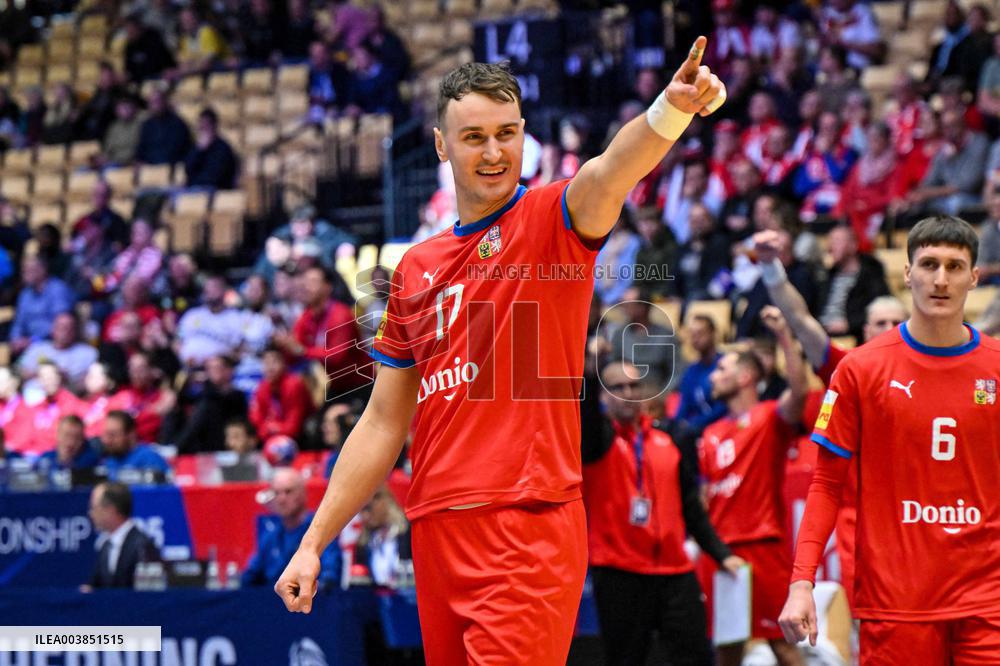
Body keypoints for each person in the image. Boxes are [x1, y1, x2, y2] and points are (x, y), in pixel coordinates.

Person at [275, 40, 727, 665]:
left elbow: (610, 170)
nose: (494, 152)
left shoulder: (551, 220)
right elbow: (381, 421)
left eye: (507, 134)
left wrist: (669, 111)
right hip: (435, 531)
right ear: (441, 145)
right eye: (475, 137)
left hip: (525, 525)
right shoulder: (415, 267)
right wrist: (314, 540)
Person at [779, 216, 1000, 662]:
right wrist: (802, 581)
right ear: (907, 273)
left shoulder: (995, 366)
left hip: (987, 600)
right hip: (896, 601)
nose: (941, 280)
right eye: (929, 264)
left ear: (975, 277)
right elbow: (826, 484)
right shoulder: (860, 369)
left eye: (955, 267)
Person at [753, 228, 908, 608]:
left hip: (918, 519)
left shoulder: (936, 371)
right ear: (865, 329)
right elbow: (800, 318)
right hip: (861, 524)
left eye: (895, 322)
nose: (888, 330)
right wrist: (771, 266)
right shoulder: (847, 367)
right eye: (880, 323)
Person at [583, 361, 743, 666]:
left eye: (634, 386)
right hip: (620, 572)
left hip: (674, 571)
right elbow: (587, 416)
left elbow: (690, 506)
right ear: (603, 396)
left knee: (696, 657)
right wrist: (589, 374)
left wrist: (721, 554)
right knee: (626, 660)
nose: (628, 393)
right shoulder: (598, 441)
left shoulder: (669, 438)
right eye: (618, 387)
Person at [698, 307, 808, 666]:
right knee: (727, 650)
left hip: (763, 545)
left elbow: (800, 391)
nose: (713, 376)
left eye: (722, 369)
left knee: (784, 646)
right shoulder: (711, 434)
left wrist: (784, 336)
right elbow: (706, 496)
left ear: (745, 376)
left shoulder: (768, 417)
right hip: (722, 553)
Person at [242, 468, 341, 587]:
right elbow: (248, 577)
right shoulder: (271, 536)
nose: (281, 499)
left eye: (288, 492)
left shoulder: (321, 530)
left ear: (303, 494)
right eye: (276, 493)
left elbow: (330, 577)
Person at [85, 481, 161, 589]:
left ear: (110, 510)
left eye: (94, 507)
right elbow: (98, 585)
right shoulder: (105, 546)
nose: (91, 513)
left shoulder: (142, 546)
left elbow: (149, 592)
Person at [98, 410, 171, 479]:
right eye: (105, 435)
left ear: (131, 434)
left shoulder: (150, 459)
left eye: (113, 435)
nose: (106, 440)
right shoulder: (110, 460)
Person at [36, 414, 101, 471]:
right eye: (66, 435)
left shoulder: (92, 464)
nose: (70, 443)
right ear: (57, 435)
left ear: (83, 440)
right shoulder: (45, 459)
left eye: (76, 438)